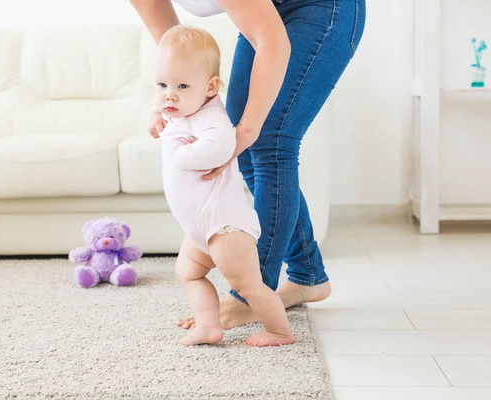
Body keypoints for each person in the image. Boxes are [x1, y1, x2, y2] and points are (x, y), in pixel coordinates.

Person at [131, 0, 366, 330]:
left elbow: (273, 41)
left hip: (319, 8)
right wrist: (180, 96)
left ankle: (252, 293)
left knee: (269, 141)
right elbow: (173, 44)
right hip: (265, 11)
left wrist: (248, 130)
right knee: (245, 150)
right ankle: (307, 274)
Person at [156, 25, 296, 347]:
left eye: (181, 85)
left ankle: (279, 331)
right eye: (162, 84)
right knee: (189, 273)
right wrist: (155, 115)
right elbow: (167, 109)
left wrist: (182, 155)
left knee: (249, 285)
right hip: (200, 229)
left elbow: (221, 145)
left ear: (211, 87)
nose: (169, 94)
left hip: (225, 226)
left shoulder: (211, 118)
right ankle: (208, 326)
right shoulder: (182, 109)